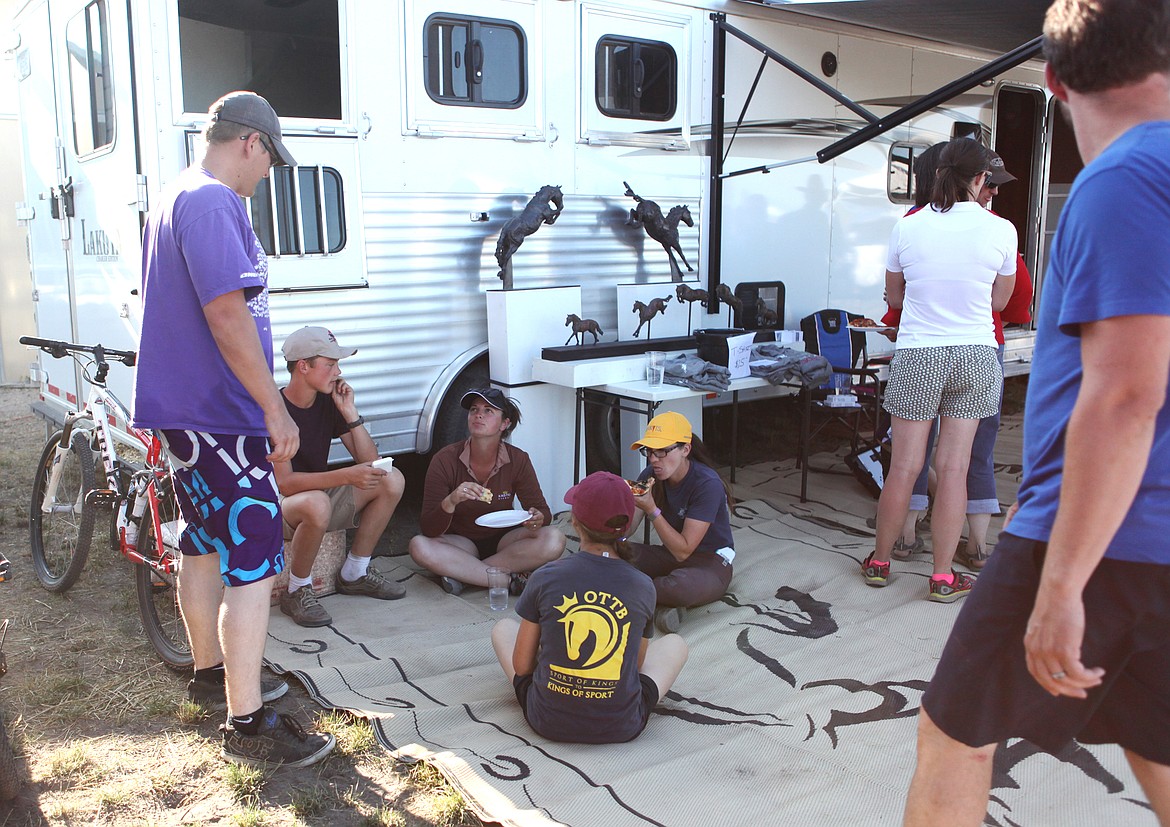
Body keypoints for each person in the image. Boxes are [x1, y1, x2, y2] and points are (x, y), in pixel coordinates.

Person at [905, 1, 1170, 823]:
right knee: (1156, 739)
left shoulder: (1124, 177)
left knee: (956, 731)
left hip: (1105, 534)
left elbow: (1126, 393)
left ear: (1051, 80)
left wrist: (1061, 582)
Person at [132, 91, 334, 767]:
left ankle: (209, 673)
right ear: (252, 143)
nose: (268, 174)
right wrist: (273, 408)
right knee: (252, 557)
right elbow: (226, 315)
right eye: (272, 159)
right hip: (221, 412)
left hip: (185, 414)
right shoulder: (216, 201)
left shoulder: (173, 196)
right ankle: (247, 723)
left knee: (202, 544)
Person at [863, 137, 1017, 602]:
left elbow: (893, 299)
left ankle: (881, 561)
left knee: (905, 467)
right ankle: (944, 575)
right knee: (954, 468)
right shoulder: (1001, 230)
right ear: (980, 179)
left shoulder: (908, 227)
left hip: (919, 353)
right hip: (974, 353)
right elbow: (999, 302)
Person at [491, 471, 688, 743]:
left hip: (547, 720)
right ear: (627, 522)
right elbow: (636, 664)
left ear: (574, 522)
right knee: (675, 643)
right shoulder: (643, 586)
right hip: (621, 725)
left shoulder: (545, 576)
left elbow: (522, 667)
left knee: (503, 628)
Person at [275, 326, 407, 627]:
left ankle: (355, 572)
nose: (338, 371)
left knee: (392, 478)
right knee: (317, 503)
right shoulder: (275, 409)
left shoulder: (327, 401)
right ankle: (296, 590)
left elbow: (371, 463)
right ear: (303, 366)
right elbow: (285, 484)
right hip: (279, 505)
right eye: (330, 364)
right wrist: (346, 476)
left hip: (315, 499)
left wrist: (350, 413)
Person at [408, 387, 564, 594]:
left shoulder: (518, 459)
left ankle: (466, 575)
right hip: (461, 544)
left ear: (505, 424)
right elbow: (429, 528)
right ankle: (506, 581)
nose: (478, 414)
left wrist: (536, 518)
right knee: (418, 546)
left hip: (505, 543)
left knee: (554, 539)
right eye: (474, 410)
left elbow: (543, 513)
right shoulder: (444, 459)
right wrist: (451, 500)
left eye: (488, 410)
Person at [626, 411, 735, 633]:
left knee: (679, 587)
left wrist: (652, 510)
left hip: (710, 561)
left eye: (662, 451)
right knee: (607, 554)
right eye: (649, 451)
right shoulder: (651, 474)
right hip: (669, 555)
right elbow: (629, 526)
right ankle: (659, 604)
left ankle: (627, 590)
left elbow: (683, 551)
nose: (654, 459)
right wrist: (612, 532)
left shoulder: (707, 484)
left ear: (685, 449)